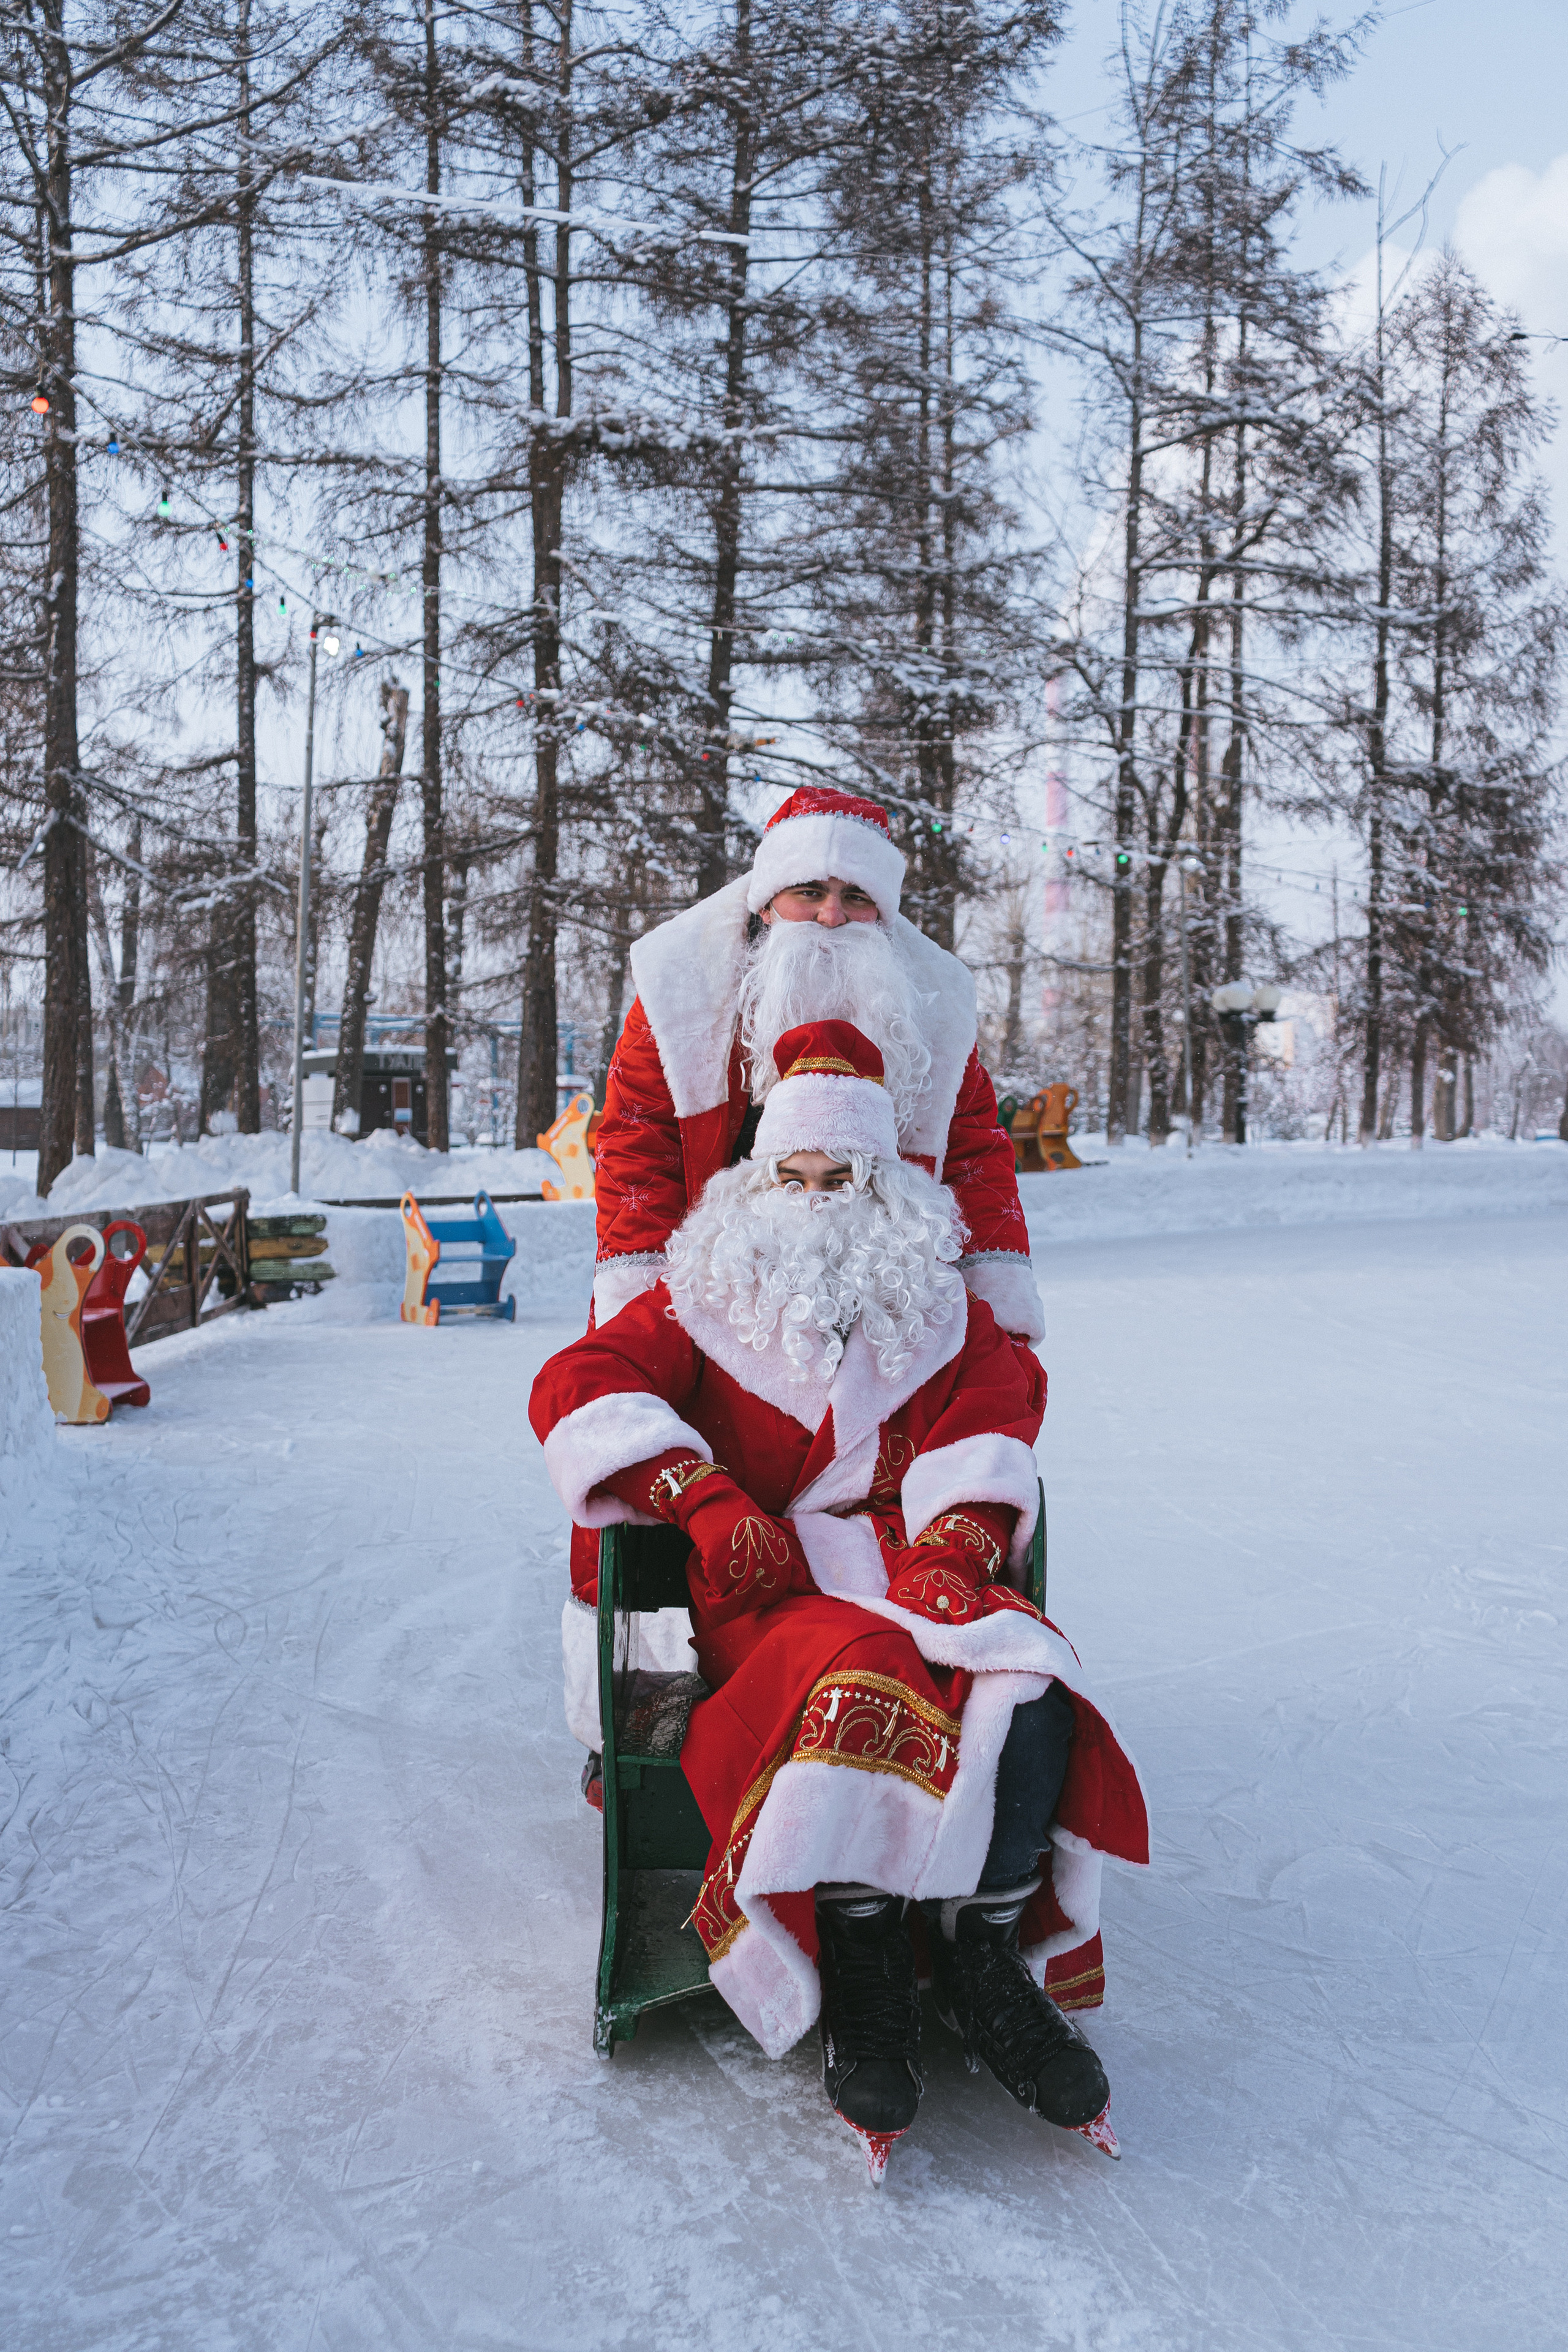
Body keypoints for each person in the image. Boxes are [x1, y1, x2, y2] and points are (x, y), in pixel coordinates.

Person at [530, 1021, 1147, 2182]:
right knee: (865, 1664)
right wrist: (702, 1496)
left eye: (842, 1179)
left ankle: (978, 1947)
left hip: (912, 1566)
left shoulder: (937, 1312)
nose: (814, 1204)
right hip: (768, 1588)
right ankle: (862, 1957)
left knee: (1026, 1673)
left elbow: (997, 1415)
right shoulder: (698, 1295)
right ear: (760, 1182)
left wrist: (959, 1542)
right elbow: (580, 1383)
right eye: (792, 1178)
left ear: (888, 1188)